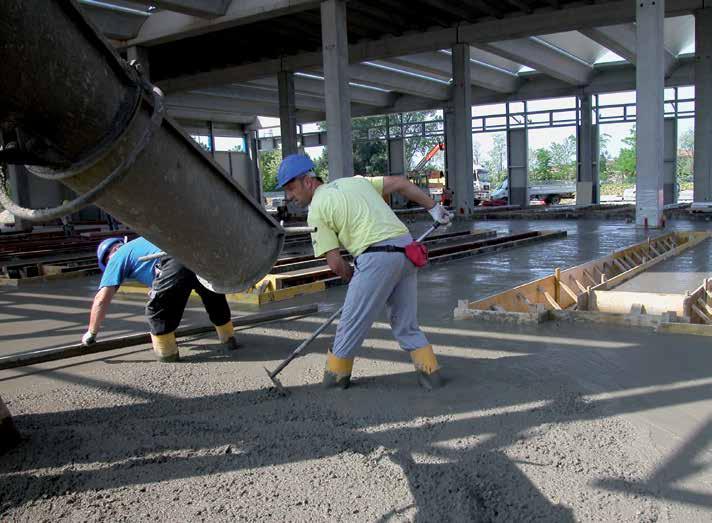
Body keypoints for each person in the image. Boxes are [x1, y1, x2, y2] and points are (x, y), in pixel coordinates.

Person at [276, 154, 452, 390]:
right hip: (407, 251)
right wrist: (434, 208)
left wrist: (357, 280)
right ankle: (432, 376)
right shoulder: (356, 181)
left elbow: (336, 265)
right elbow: (401, 183)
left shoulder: (316, 209)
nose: (290, 197)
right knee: (406, 324)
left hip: (376, 257)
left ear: (308, 181)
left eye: (291, 188)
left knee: (350, 325)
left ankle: (335, 381)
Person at [81, 237, 239, 362]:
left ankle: (167, 355)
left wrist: (92, 332)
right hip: (196, 253)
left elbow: (101, 299)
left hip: (174, 262)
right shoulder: (139, 244)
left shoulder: (116, 258)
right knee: (212, 296)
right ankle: (228, 340)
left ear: (107, 258)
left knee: (155, 311)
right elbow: (159, 276)